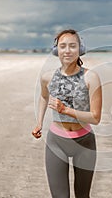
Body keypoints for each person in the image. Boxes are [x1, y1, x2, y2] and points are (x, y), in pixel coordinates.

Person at [31, 29, 102, 198]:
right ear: (57, 50)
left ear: (80, 49)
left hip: (84, 143)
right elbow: (43, 97)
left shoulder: (91, 77)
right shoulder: (47, 77)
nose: (67, 50)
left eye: (72, 46)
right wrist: (39, 122)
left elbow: (96, 118)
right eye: (63, 46)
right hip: (56, 142)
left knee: (83, 196)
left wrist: (66, 110)